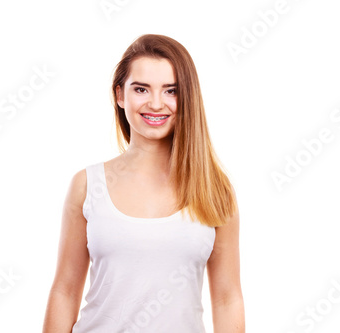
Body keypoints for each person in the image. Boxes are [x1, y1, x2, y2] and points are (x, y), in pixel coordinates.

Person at [42, 34, 245, 332]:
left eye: (171, 91)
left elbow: (227, 298)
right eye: (141, 89)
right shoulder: (87, 185)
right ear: (120, 95)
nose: (155, 103)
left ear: (187, 97)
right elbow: (65, 291)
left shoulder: (215, 189)